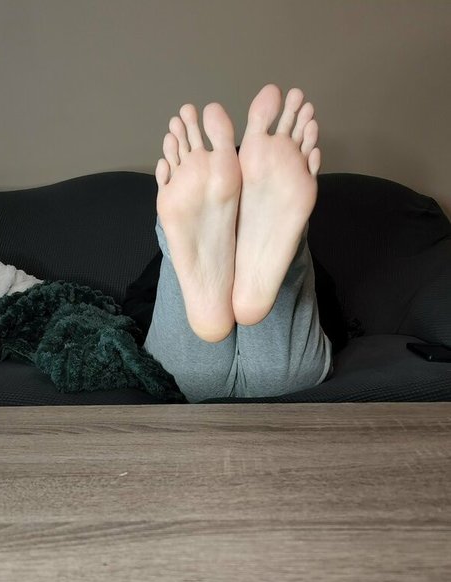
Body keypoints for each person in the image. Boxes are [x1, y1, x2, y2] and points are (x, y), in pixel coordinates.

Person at [143, 83, 333, 403]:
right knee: (290, 273)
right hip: (287, 371)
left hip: (187, 373)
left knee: (177, 264)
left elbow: (139, 299)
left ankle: (180, 250)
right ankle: (289, 248)